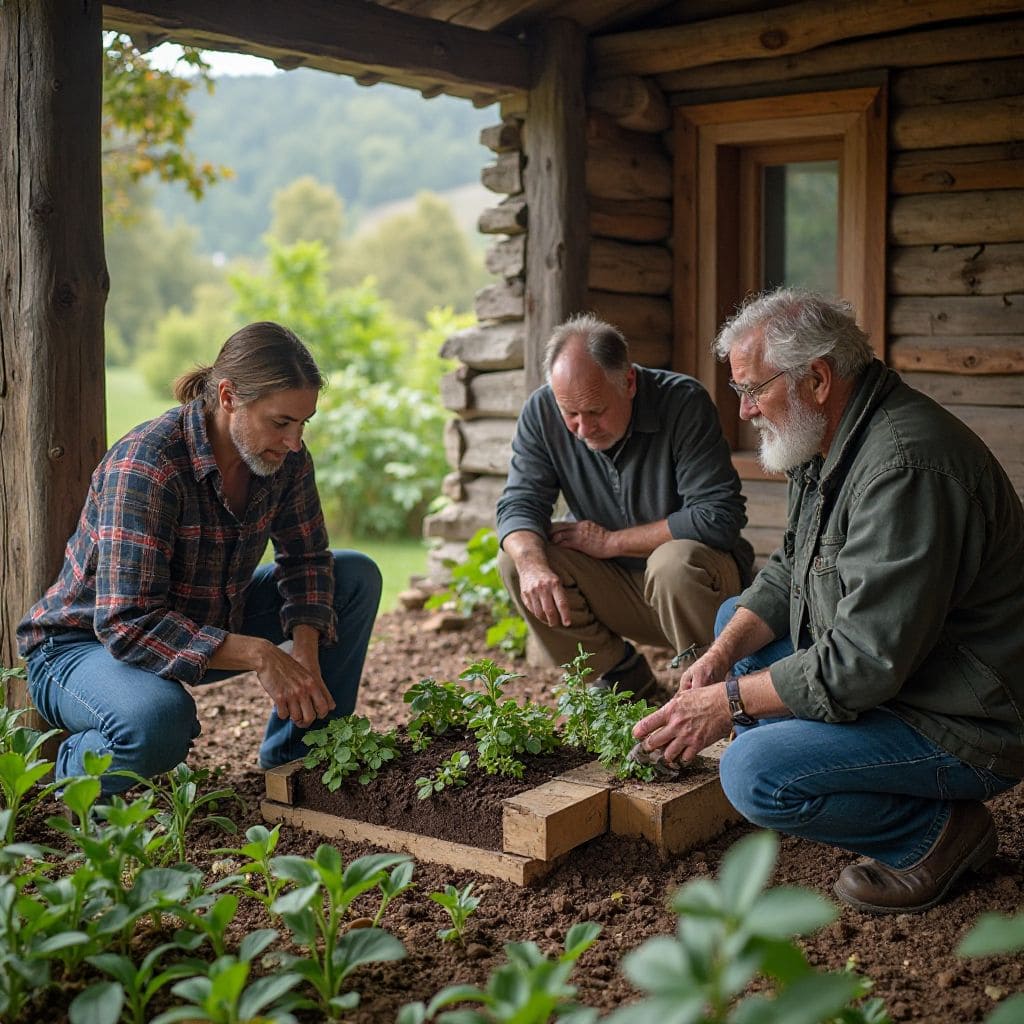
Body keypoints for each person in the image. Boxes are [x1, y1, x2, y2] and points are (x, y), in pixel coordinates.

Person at [634, 288, 1024, 914]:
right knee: (735, 621)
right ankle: (834, 758)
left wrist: (728, 703)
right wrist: (717, 659)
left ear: (815, 378)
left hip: (965, 718)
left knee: (753, 772)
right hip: (912, 675)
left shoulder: (903, 469)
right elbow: (790, 570)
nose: (745, 411)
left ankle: (939, 835)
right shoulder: (834, 441)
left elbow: (863, 664)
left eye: (753, 389)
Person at [18, 322, 381, 795]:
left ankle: (298, 767)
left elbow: (307, 558)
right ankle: (69, 778)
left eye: (303, 423)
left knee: (353, 575)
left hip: (203, 620)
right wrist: (260, 652)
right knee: (160, 722)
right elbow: (127, 624)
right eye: (281, 422)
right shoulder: (149, 463)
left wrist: (305, 652)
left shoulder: (283, 458)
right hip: (83, 646)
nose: (295, 441)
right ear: (228, 397)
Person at [496, 313, 754, 697]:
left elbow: (718, 517)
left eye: (596, 411)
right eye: (571, 414)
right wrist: (532, 565)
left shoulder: (683, 402)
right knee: (518, 559)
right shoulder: (541, 411)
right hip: (616, 588)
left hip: (698, 591)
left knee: (671, 563)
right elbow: (519, 502)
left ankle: (709, 690)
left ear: (629, 381)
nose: (583, 428)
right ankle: (622, 676)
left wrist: (611, 542)